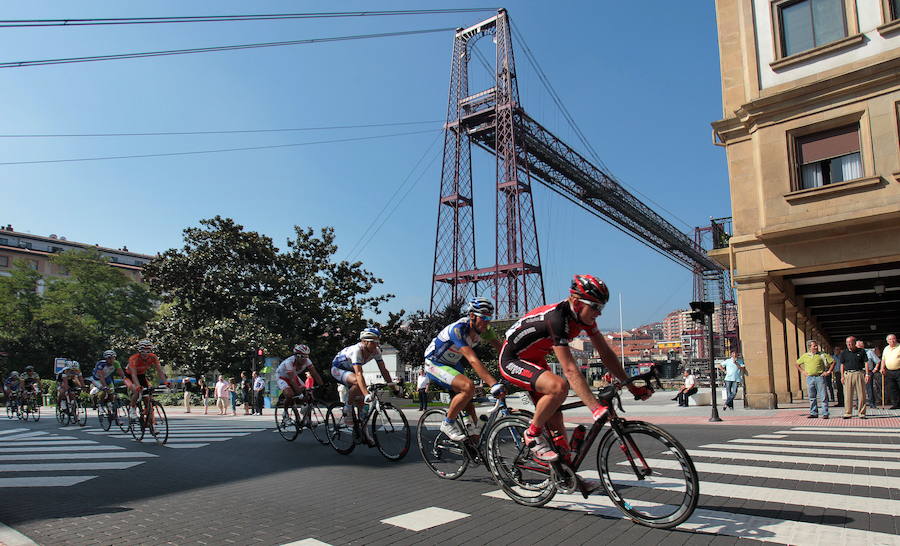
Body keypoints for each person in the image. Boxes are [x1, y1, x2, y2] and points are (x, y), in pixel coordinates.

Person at [499, 275, 651, 462]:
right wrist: (595, 408)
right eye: (595, 307)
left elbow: (605, 353)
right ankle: (531, 433)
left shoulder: (583, 318)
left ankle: (567, 476)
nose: (600, 313)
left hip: (535, 359)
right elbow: (570, 369)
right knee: (559, 387)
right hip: (512, 359)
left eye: (602, 307)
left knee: (557, 425)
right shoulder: (557, 319)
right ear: (577, 302)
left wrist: (631, 385)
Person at [424, 296, 504, 441]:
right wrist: (493, 384)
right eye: (484, 317)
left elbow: (502, 350)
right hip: (435, 363)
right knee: (468, 386)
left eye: (489, 317)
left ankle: (473, 445)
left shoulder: (485, 329)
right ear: (472, 315)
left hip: (453, 364)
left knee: (470, 407)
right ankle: (447, 423)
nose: (487, 321)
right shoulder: (458, 330)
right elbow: (472, 359)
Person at [331, 328, 398, 427]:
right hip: (338, 369)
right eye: (374, 342)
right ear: (365, 341)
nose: (377, 344)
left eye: (378, 341)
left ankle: (363, 431)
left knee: (361, 403)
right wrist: (366, 394)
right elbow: (359, 374)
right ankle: (347, 407)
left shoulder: (376, 351)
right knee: (357, 383)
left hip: (352, 370)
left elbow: (383, 370)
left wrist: (393, 387)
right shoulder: (356, 350)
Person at [124, 340, 169, 410]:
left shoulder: (153, 357)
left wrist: (166, 382)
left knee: (147, 394)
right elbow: (134, 375)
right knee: (136, 391)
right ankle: (132, 409)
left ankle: (147, 411)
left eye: (148, 351)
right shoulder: (133, 358)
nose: (145, 354)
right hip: (129, 376)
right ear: (139, 351)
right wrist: (138, 386)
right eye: (142, 351)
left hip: (141, 375)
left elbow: (160, 371)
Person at [277, 344, 324, 410]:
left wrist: (322, 385)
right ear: (296, 356)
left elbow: (315, 374)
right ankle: (285, 414)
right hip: (282, 377)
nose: (304, 359)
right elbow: (292, 380)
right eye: (302, 356)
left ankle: (305, 411)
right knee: (289, 394)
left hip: (293, 375)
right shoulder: (289, 362)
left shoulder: (307, 361)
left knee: (306, 393)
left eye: (306, 356)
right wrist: (300, 393)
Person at [795, 340, 834, 419]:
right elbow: (797, 363)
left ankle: (825, 413)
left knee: (823, 396)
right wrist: (802, 371)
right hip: (810, 378)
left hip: (820, 376)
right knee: (812, 396)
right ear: (809, 347)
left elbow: (833, 362)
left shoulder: (822, 354)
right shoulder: (805, 356)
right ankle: (813, 413)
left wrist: (828, 371)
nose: (816, 347)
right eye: (814, 346)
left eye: (816, 346)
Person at [836, 336, 869, 419]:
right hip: (848, 374)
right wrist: (842, 376)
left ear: (854, 343)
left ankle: (862, 413)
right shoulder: (844, 353)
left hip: (859, 373)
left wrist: (867, 374)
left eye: (850, 342)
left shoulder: (861, 351)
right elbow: (842, 365)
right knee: (847, 394)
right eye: (847, 343)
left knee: (861, 394)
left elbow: (866, 363)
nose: (849, 344)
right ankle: (848, 413)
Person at [858, 340, 881, 408]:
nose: (859, 347)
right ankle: (859, 404)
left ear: (863, 346)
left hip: (868, 371)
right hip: (859, 372)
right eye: (858, 346)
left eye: (860, 346)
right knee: (859, 388)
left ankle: (872, 403)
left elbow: (878, 361)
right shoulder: (854, 353)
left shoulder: (869, 352)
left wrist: (875, 369)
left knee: (869, 388)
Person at [882, 334, 900, 409]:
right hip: (889, 371)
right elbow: (883, 359)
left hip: (899, 370)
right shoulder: (886, 348)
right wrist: (882, 368)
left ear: (896, 339)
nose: (892, 341)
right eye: (890, 339)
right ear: (887, 341)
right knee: (893, 388)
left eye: (893, 339)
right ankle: (896, 404)